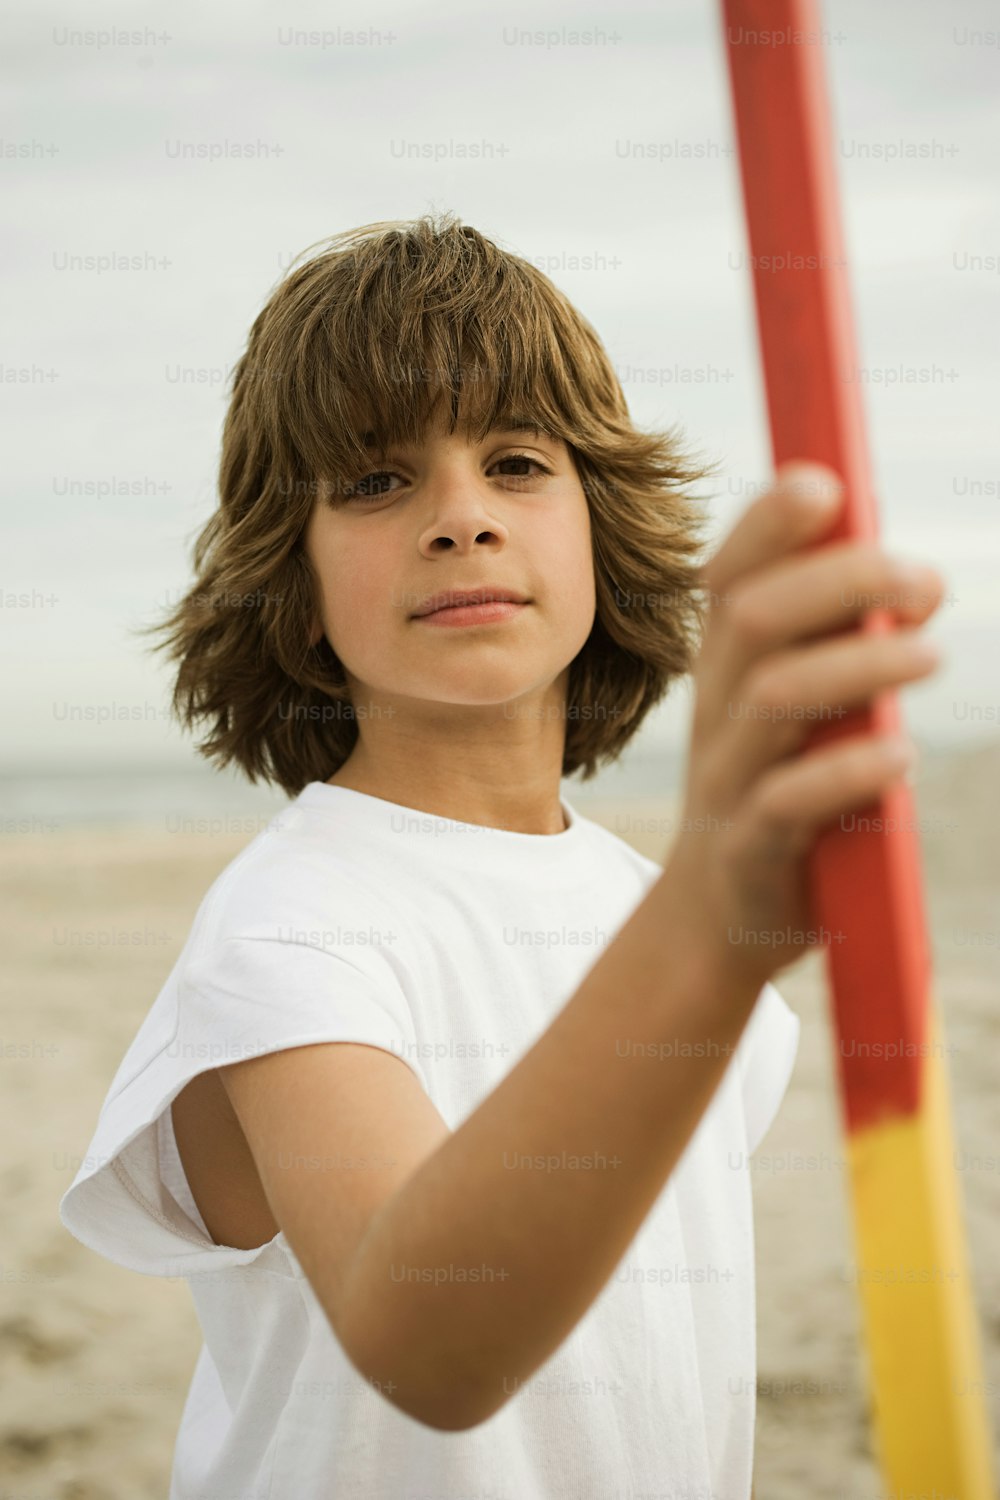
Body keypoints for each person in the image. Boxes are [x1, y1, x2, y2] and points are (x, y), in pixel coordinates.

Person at [58, 211, 945, 1499]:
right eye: (376, 480)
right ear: (291, 578)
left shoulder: (651, 913)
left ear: (603, 520)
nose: (461, 518)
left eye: (519, 461)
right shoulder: (288, 929)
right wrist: (709, 927)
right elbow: (429, 1333)